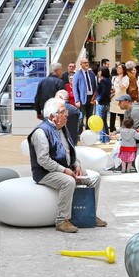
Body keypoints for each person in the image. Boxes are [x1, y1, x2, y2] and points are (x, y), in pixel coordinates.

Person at [27, 98, 106, 233]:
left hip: (65, 168)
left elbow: (70, 151)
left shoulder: (62, 128)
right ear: (52, 116)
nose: (67, 114)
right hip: (45, 172)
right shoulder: (41, 132)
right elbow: (43, 160)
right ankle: (62, 220)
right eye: (63, 112)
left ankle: (90, 215)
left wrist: (77, 165)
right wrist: (64, 170)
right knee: (68, 182)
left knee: (95, 177)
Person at [72, 58, 97, 125]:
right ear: (81, 64)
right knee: (81, 117)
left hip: (91, 98)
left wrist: (95, 98)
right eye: (84, 63)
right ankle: (79, 133)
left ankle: (88, 132)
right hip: (82, 98)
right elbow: (75, 87)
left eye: (87, 62)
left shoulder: (91, 74)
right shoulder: (77, 74)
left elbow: (94, 86)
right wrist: (77, 100)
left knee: (90, 117)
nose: (86, 64)